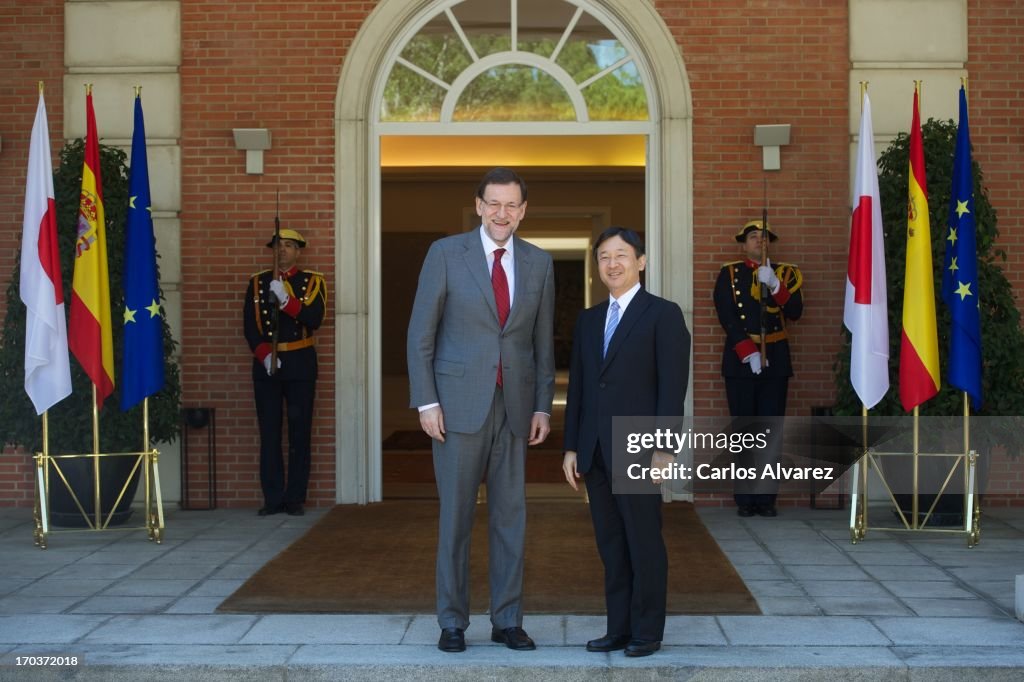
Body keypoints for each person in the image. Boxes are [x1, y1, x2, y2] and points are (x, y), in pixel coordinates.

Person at [407, 167, 555, 653]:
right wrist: (426, 400)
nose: (502, 213)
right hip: (456, 408)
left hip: (514, 409)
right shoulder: (446, 254)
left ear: (523, 211)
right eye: (494, 203)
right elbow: (421, 335)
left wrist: (543, 407)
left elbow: (541, 342)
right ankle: (452, 621)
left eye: (512, 205)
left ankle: (507, 620)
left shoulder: (539, 262)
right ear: (478, 205)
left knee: (511, 517)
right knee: (456, 519)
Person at [562, 227, 690, 658]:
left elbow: (672, 388)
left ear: (641, 261)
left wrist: (664, 448)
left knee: (644, 542)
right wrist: (572, 447)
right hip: (596, 450)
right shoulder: (588, 319)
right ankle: (618, 627)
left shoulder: (663, 314)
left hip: (640, 450)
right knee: (611, 545)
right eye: (603, 257)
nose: (612, 264)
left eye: (621, 255)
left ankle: (647, 631)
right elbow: (580, 386)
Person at [713, 219, 803, 517]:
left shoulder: (784, 274)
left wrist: (775, 286)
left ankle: (765, 499)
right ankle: (745, 499)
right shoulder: (729, 274)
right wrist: (747, 350)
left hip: (775, 359)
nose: (759, 241)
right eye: (753, 237)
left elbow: (795, 312)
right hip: (741, 362)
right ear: (743, 244)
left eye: (764, 237)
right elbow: (726, 313)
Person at [243, 228, 327, 517]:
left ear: (298, 251)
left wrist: (286, 301)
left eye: (289, 246)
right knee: (269, 433)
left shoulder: (312, 282)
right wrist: (265, 355)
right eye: (278, 245)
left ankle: (295, 498)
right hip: (268, 367)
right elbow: (250, 328)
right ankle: (273, 498)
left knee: (299, 433)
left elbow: (314, 318)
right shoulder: (257, 283)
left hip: (300, 364)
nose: (282, 251)